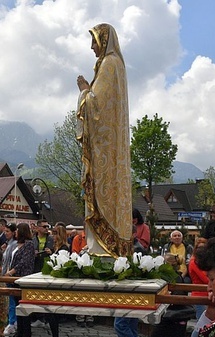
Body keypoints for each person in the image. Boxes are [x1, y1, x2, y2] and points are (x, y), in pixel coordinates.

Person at [76, 23, 133, 258]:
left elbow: (96, 104)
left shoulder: (110, 64)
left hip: (104, 151)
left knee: (100, 192)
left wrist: (84, 91)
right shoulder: (113, 65)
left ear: (104, 40)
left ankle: (101, 251)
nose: (91, 47)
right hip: (109, 146)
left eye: (95, 41)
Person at [5, 222, 36, 337]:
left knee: (23, 307)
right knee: (17, 306)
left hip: (22, 277)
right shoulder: (17, 245)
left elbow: (24, 261)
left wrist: (12, 272)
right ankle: (19, 332)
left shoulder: (29, 245)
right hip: (14, 279)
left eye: (17, 230)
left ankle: (26, 335)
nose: (15, 232)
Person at [1, 222, 18, 337]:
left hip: (9, 275)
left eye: (8, 231)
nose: (5, 233)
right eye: (5, 231)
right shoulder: (8, 244)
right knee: (9, 300)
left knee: (11, 301)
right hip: (5, 273)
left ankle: (12, 322)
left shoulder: (14, 244)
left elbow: (10, 261)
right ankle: (10, 321)